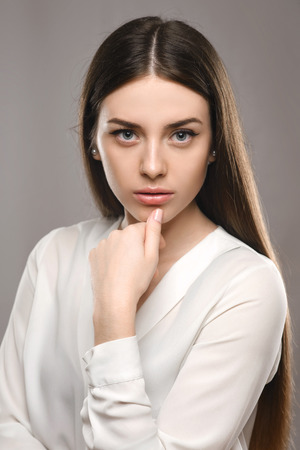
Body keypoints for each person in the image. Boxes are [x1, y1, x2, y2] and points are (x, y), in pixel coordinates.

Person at [0, 16, 292, 450]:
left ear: (214, 145)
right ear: (93, 141)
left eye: (181, 134)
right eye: (126, 134)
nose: (152, 166)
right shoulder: (54, 257)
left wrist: (114, 313)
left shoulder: (246, 286)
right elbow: (6, 427)